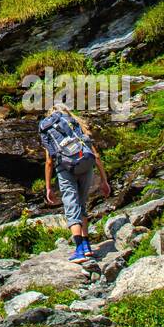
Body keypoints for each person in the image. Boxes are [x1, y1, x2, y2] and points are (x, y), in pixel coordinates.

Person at [40, 108, 110, 262]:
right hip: (86, 165)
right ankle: (87, 247)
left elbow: (49, 161)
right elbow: (96, 155)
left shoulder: (49, 130)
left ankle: (79, 250)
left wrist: (48, 187)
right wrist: (104, 180)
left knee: (72, 207)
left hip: (65, 169)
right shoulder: (75, 125)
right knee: (81, 205)